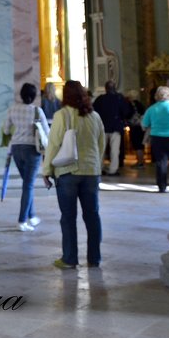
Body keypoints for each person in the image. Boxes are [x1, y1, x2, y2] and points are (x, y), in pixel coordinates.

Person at [42, 79, 105, 269]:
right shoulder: (94, 116)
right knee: (92, 215)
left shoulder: (62, 115)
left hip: (68, 171)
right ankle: (94, 258)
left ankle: (70, 259)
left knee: (68, 217)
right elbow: (101, 144)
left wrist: (46, 170)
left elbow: (53, 144)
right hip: (91, 171)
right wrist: (96, 165)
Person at [2, 83, 48, 232]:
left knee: (27, 184)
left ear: (21, 95)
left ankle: (32, 216)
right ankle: (22, 220)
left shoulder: (12, 109)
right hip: (32, 150)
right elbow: (46, 131)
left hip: (16, 149)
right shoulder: (37, 111)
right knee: (28, 185)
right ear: (34, 96)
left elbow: (6, 129)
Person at [141, 85, 169, 192]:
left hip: (157, 137)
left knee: (161, 162)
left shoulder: (151, 109)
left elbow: (145, 123)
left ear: (156, 96)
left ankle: (162, 186)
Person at [92, 80, 133, 175]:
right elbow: (126, 112)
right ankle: (113, 169)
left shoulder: (100, 99)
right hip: (116, 127)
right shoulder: (119, 98)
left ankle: (99, 168)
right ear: (115, 88)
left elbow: (94, 112)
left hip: (102, 127)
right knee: (115, 150)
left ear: (106, 88)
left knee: (101, 150)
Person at [126, 89, 147, 167]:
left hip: (134, 127)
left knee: (137, 145)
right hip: (141, 126)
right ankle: (141, 161)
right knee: (141, 145)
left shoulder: (131, 105)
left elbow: (128, 114)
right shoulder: (140, 104)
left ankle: (140, 162)